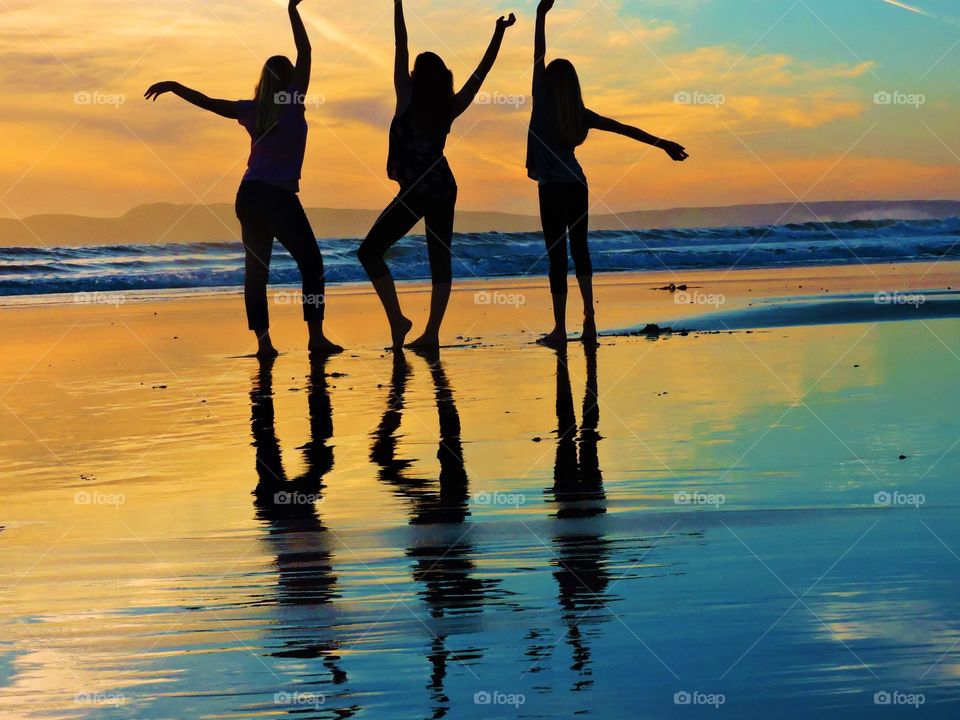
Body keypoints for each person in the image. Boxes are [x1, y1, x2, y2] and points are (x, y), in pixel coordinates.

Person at [145, 0, 341, 358]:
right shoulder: (294, 100)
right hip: (277, 197)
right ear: (289, 79)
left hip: (249, 196)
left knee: (257, 272)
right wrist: (293, 9)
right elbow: (306, 50)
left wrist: (175, 85)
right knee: (311, 263)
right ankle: (315, 337)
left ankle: (265, 344)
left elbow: (208, 102)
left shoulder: (252, 109)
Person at [528, 0, 689, 347]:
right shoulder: (580, 113)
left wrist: (541, 15)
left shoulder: (542, 102)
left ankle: (559, 328)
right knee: (580, 250)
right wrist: (662, 144)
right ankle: (589, 319)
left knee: (557, 256)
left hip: (552, 189)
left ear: (549, 84)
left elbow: (537, 56)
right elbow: (623, 128)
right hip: (577, 186)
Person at [358, 0, 517, 350]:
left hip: (419, 190)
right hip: (443, 187)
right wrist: (498, 33)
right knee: (438, 259)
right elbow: (480, 75)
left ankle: (400, 322)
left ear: (416, 76)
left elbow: (400, 44)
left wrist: (397, 4)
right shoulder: (448, 106)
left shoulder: (407, 97)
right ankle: (429, 333)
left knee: (369, 252)